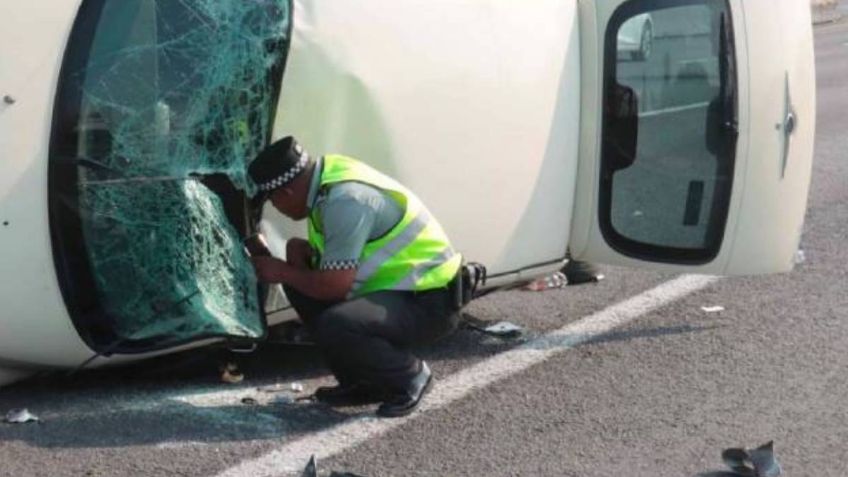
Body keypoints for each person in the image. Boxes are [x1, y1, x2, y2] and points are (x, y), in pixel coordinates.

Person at [247, 136, 463, 417]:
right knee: (304, 287)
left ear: (285, 193)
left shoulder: (345, 201)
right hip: (400, 290)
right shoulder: (324, 182)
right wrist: (301, 256)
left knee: (337, 323)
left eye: (273, 201)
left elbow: (334, 288)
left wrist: (283, 271)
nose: (278, 210)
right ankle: (364, 382)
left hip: (431, 300)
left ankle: (410, 376)